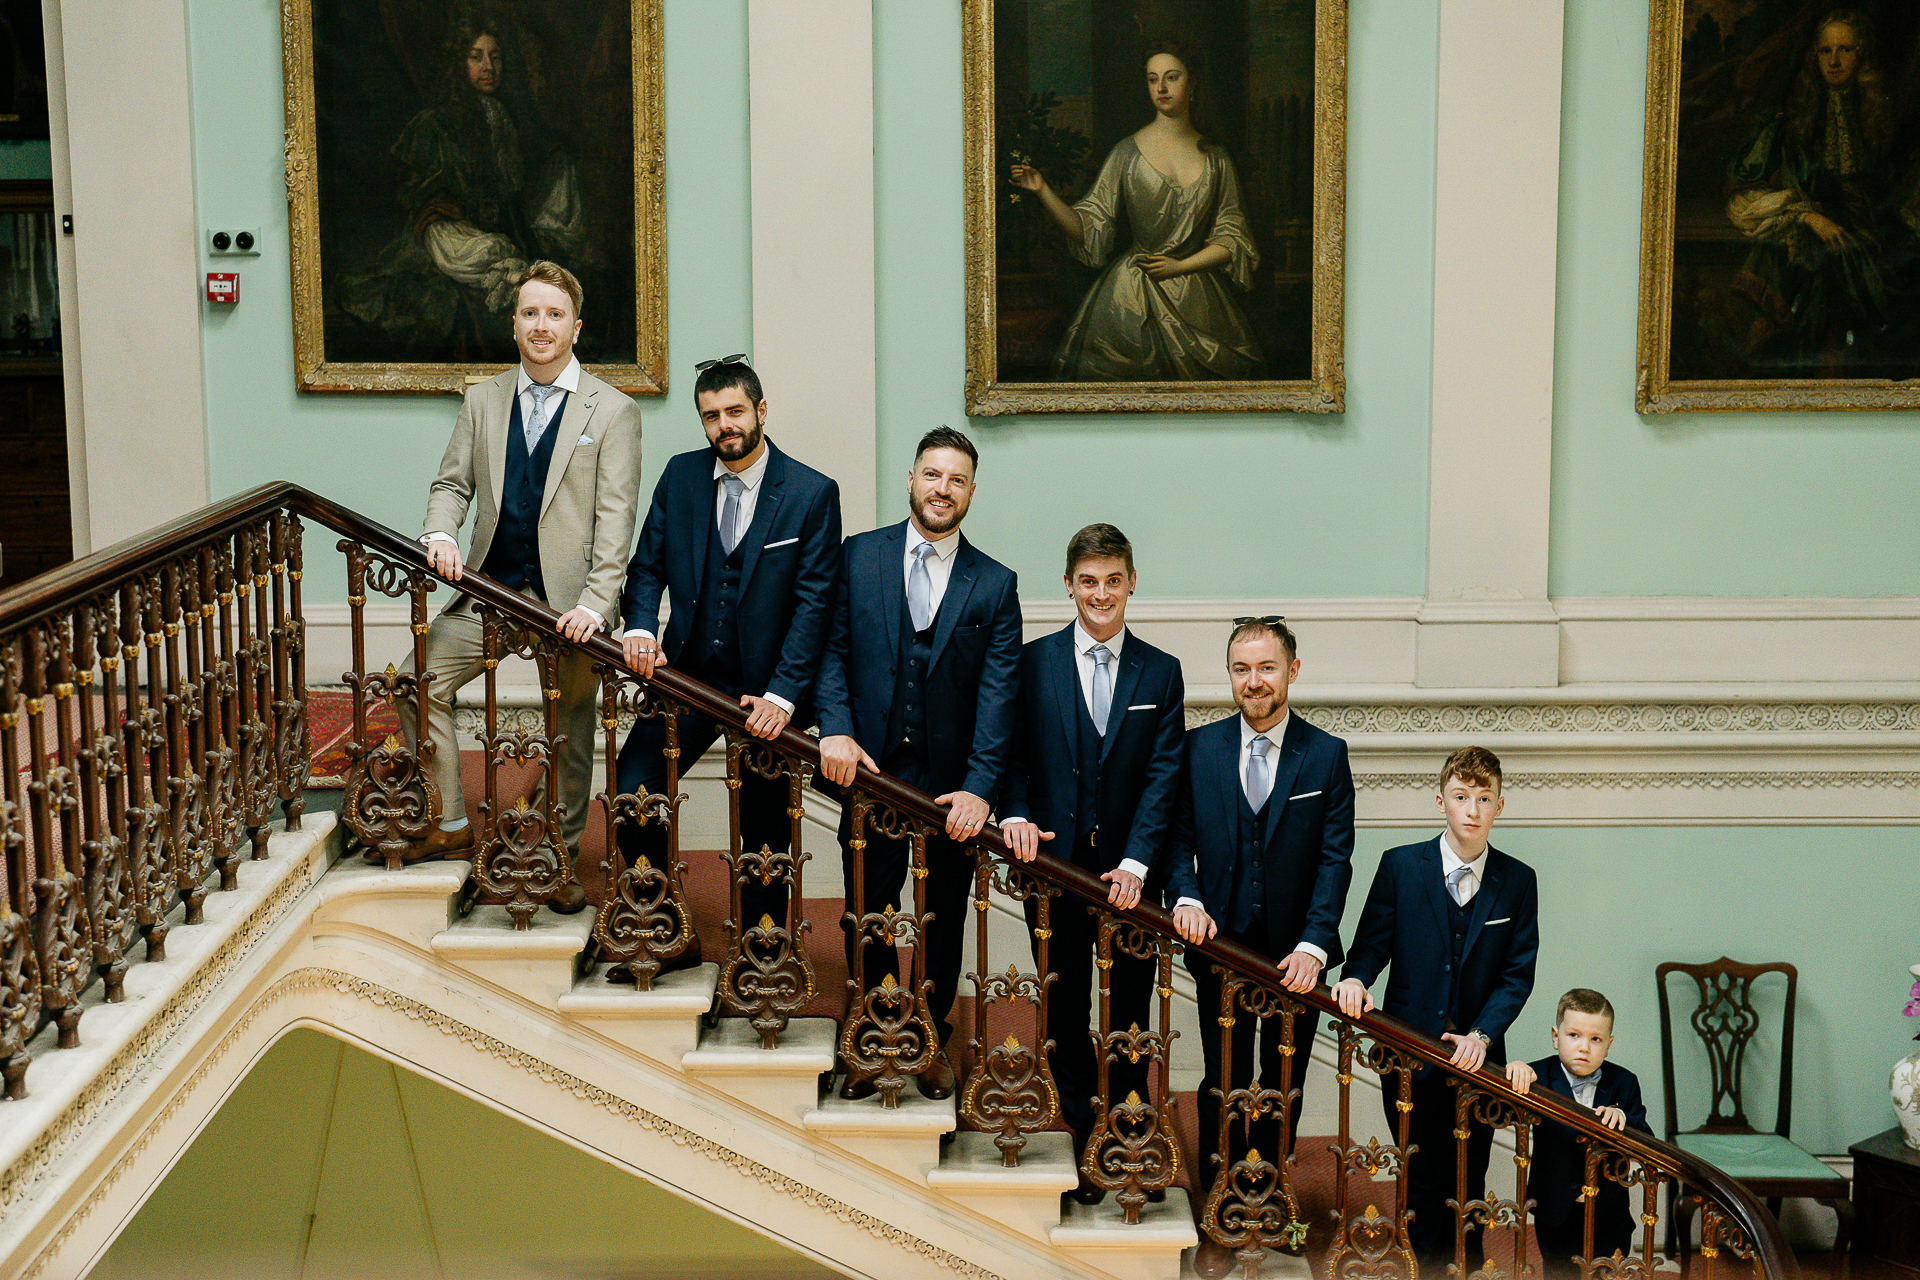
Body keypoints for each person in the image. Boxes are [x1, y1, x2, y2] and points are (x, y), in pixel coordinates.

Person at [396, 260, 641, 917]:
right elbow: (451, 486)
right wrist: (440, 537)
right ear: (514, 325)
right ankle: (448, 822)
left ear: (575, 327)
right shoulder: (484, 399)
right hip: (491, 588)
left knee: (572, 726)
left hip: (571, 607)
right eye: (530, 313)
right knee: (417, 679)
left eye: (554, 315)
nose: (541, 325)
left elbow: (616, 521)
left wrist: (596, 603)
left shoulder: (613, 411)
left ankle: (559, 858)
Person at [814, 426, 1022, 1101]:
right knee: (866, 914)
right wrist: (837, 731)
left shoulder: (993, 584)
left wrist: (981, 790)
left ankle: (929, 1044)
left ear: (970, 492)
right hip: (870, 776)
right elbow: (832, 652)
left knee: (943, 921)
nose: (942, 489)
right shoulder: (859, 556)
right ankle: (871, 1045)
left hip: (948, 794)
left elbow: (999, 695)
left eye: (957, 479)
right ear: (910, 479)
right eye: (932, 475)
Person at [614, 355, 842, 966]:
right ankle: (659, 929)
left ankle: (761, 958)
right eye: (711, 416)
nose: (724, 426)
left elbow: (815, 604)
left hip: (766, 693)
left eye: (735, 411)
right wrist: (639, 626)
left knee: (765, 832)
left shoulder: (812, 493)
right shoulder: (681, 476)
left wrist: (785, 695)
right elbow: (648, 567)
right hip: (689, 672)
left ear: (761, 411)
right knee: (634, 790)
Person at [1161, 618, 1353, 1280]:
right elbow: (1176, 836)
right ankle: (1221, 1213)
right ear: (1230, 675)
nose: (1254, 681)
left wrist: (1314, 946)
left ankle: (1276, 1213)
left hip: (1293, 964)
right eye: (1242, 669)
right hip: (1219, 952)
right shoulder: (1198, 748)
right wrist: (1184, 898)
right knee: (1222, 1080)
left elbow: (1335, 862)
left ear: (1292, 671)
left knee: (1283, 1088)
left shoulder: (1325, 756)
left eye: (1266, 667)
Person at [999, 523, 1185, 1204]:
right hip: (1053, 867)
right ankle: (1085, 1139)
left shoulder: (1160, 672)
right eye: (1087, 581)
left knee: (1131, 1012)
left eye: (1112, 580)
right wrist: (1014, 813)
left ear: (1131, 582)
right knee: (1065, 1003)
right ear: (1069, 585)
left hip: (1132, 878)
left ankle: (1130, 1145)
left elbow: (1165, 775)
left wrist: (1139, 861)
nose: (1100, 594)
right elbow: (1012, 752)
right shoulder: (1031, 662)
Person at [1332, 746, 1540, 1271]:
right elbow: (1370, 945)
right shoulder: (1400, 866)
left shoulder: (1518, 881)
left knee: (1470, 1182)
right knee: (1419, 1177)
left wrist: (1483, 1035)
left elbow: (1517, 976)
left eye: (1484, 798)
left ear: (1499, 806)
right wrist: (1355, 977)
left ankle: (1466, 1270)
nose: (1472, 809)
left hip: (1480, 1061)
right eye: (1461, 796)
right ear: (1440, 800)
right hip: (1408, 1053)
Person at [340, 16, 593, 362]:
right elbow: (425, 203)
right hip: (447, 236)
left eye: (496, 57)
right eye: (476, 57)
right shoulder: (435, 124)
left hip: (493, 231)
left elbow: (513, 189)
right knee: (486, 267)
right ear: (460, 64)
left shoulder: (505, 117)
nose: (488, 67)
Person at [1008, 44, 1262, 381]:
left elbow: (1233, 237)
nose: (1161, 89)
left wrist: (1180, 266)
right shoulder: (1126, 152)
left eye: (1172, 78)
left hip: (1197, 297)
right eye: (1153, 79)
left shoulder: (1216, 158)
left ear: (1193, 83)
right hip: (1130, 296)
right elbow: (1088, 226)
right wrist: (1043, 191)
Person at [1726, 10, 1910, 371]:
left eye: (1845, 50)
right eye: (1825, 51)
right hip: (1808, 234)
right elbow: (1743, 196)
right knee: (1819, 277)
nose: (1835, 62)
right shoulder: (1791, 121)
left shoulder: (1883, 121)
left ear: (1862, 55)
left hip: (1873, 234)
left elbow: (1897, 193)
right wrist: (1809, 216)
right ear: (1814, 56)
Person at [1506, 989, 1652, 1274]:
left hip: (1609, 1211)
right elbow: (1500, 1111)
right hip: (1556, 1209)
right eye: (1574, 1035)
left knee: (1608, 1272)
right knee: (1559, 1272)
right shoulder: (1536, 1076)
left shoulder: (1624, 1082)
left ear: (1608, 1045)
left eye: (1595, 1039)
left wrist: (1622, 1117)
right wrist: (1513, 1071)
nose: (1584, 1047)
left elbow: (1645, 1134)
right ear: (1555, 1036)